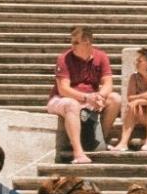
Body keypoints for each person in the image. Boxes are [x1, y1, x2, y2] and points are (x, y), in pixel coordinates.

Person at [47, 27, 117, 165]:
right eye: (72, 42)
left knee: (115, 98)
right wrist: (87, 98)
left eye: (76, 43)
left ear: (87, 42)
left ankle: (97, 141)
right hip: (61, 100)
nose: (72, 46)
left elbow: (108, 84)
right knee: (71, 104)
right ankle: (78, 153)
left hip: (89, 99)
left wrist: (99, 96)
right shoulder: (64, 58)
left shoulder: (101, 56)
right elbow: (63, 90)